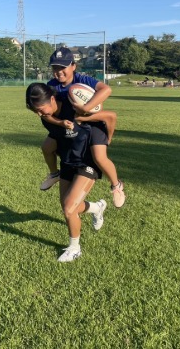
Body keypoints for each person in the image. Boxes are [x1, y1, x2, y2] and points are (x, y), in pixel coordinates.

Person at [26, 82, 107, 262]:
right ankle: (97, 207)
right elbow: (56, 137)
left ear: (52, 99)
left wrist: (105, 143)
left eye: (40, 109)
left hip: (87, 161)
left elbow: (108, 117)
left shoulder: (76, 106)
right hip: (68, 162)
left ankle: (74, 249)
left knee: (70, 209)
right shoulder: (46, 117)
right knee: (67, 207)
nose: (39, 114)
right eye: (35, 111)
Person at [39, 48, 126, 208]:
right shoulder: (52, 86)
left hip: (93, 124)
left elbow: (106, 89)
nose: (58, 72)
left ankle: (116, 185)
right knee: (47, 147)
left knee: (99, 157)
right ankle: (54, 174)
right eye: (55, 68)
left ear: (73, 66)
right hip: (73, 125)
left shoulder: (82, 80)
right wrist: (59, 122)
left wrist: (86, 108)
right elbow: (47, 110)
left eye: (62, 67)